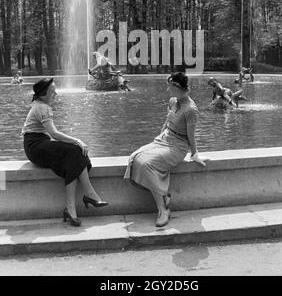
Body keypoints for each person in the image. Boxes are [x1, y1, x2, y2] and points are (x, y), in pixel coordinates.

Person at [124, 72, 207, 228]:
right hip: (164, 139)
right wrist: (157, 141)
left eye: (170, 86)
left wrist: (195, 154)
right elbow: (166, 122)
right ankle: (164, 195)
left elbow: (191, 136)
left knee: (147, 164)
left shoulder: (191, 110)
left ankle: (163, 209)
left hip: (178, 146)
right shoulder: (172, 101)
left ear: (177, 87)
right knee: (135, 157)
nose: (168, 89)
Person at [22, 78, 108, 227]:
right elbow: (54, 134)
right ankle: (89, 195)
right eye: (52, 91)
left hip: (36, 145)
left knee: (73, 158)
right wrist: (77, 140)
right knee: (76, 149)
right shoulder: (43, 108)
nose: (56, 94)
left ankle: (72, 209)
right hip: (36, 146)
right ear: (43, 95)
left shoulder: (40, 105)